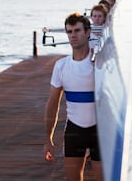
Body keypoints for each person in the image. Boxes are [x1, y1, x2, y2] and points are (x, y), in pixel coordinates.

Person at [43, 12, 103, 181]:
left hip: (100, 130)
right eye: (69, 32)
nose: (73, 35)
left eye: (77, 30)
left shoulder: (101, 62)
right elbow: (52, 104)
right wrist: (48, 139)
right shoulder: (61, 66)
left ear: (88, 32)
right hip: (74, 130)